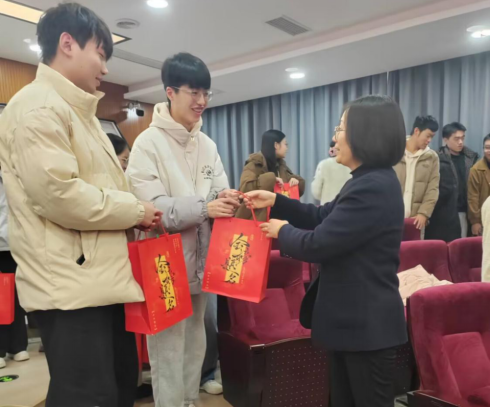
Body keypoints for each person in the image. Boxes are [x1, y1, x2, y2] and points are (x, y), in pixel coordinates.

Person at [0, 4, 162, 406]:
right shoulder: (38, 108)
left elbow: (100, 188)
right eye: (101, 54)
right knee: (88, 396)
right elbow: (60, 195)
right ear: (67, 44)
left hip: (98, 280)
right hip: (69, 287)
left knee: (118, 388)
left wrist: (135, 211)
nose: (105, 68)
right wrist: (135, 211)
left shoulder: (79, 112)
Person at [244, 95, 408, 407]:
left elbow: (320, 243)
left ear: (365, 134)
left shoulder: (373, 186)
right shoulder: (365, 180)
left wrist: (282, 231)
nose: (334, 138)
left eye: (340, 129)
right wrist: (277, 200)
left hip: (366, 328)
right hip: (354, 324)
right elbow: (321, 215)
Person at [126, 52, 238, 407]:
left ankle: (190, 401)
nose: (201, 101)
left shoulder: (207, 144)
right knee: (168, 350)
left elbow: (217, 189)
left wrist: (228, 198)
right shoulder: (148, 144)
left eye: (206, 93)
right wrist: (205, 207)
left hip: (203, 264)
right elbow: (152, 209)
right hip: (165, 264)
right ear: (170, 92)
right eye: (194, 92)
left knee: (196, 342)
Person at [236, 129, 305, 221]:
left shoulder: (280, 165)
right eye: (285, 144)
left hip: (278, 220)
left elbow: (290, 184)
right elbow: (246, 189)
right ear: (276, 145)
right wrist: (272, 179)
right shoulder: (254, 164)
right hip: (256, 220)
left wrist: (296, 181)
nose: (287, 148)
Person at [0, 168, 29, 370]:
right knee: (1, 297)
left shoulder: (11, 172)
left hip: (14, 243)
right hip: (5, 242)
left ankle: (18, 345)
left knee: (16, 294)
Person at [394, 116, 440, 232]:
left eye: (432, 137)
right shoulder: (395, 151)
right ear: (416, 131)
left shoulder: (432, 157)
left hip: (416, 220)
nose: (429, 140)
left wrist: (424, 213)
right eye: (428, 136)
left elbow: (433, 189)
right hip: (391, 218)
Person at [440, 122, 479, 238]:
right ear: (445, 140)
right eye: (456, 139)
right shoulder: (438, 158)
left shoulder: (472, 158)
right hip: (445, 211)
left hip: (466, 210)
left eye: (462, 138)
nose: (461, 142)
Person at [424, 153, 462, 243]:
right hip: (443, 223)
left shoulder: (442, 166)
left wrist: (426, 205)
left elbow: (444, 192)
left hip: (442, 224)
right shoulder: (443, 164)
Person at [468, 135, 490, 237]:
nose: (489, 151)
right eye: (487, 148)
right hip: (484, 218)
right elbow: (473, 197)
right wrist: (475, 221)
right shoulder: (476, 170)